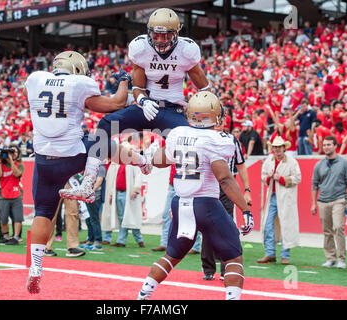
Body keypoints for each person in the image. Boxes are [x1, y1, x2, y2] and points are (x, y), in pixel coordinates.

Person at [61, 7, 211, 202]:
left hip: (171, 109)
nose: (159, 41)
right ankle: (88, 183)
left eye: (165, 36)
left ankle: (175, 177)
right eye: (156, 35)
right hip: (144, 107)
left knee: (190, 141)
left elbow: (204, 89)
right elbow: (138, 87)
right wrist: (143, 100)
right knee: (106, 124)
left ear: (176, 34)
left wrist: (202, 113)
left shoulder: (187, 50)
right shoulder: (141, 48)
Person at [24, 50, 129, 294]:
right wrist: (124, 82)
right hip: (72, 154)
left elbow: (30, 98)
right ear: (78, 69)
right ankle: (140, 161)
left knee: (42, 213)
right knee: (103, 141)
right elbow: (115, 104)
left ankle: (36, 268)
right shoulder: (79, 83)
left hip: (43, 160)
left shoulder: (36, 79)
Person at [136, 92, 253, 301]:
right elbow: (225, 179)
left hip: (180, 203)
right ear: (214, 115)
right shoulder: (217, 139)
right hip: (206, 203)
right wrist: (245, 209)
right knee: (234, 256)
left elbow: (163, 160)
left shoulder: (178, 133)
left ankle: (143, 294)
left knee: (171, 256)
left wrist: (150, 157)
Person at [201, 120, 252, 281]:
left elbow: (241, 165)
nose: (218, 123)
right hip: (208, 185)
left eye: (220, 119)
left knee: (226, 226)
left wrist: (247, 189)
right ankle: (208, 268)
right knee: (207, 227)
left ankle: (225, 268)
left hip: (225, 188)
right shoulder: (202, 137)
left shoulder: (231, 139)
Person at [257, 136, 301, 265]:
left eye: (279, 147)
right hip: (272, 196)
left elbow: (297, 178)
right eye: (275, 147)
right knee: (267, 224)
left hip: (286, 197)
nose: (277, 149)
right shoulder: (268, 161)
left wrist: (281, 179)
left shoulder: (292, 162)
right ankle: (270, 253)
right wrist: (269, 177)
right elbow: (263, 176)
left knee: (286, 225)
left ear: (284, 148)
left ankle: (284, 255)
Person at [311, 136, 347, 268]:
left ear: (335, 146)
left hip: (339, 200)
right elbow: (314, 185)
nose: (326, 147)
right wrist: (313, 203)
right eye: (324, 145)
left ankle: (342, 259)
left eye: (329, 144)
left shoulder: (345, 162)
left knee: (339, 227)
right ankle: (330, 258)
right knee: (327, 231)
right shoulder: (319, 164)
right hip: (322, 201)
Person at [101, 155, 145, 248]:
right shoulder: (118, 165)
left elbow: (138, 177)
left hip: (128, 194)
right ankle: (122, 240)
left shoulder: (133, 164)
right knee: (122, 217)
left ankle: (139, 239)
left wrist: (136, 190)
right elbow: (113, 181)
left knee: (130, 216)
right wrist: (112, 195)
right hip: (118, 193)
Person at [0, 144, 24, 245]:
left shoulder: (20, 164)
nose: (12, 154)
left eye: (14, 152)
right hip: (3, 195)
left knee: (17, 218)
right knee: (3, 218)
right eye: (11, 152)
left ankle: (15, 237)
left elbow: (16, 174)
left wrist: (11, 161)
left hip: (16, 195)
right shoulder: (0, 164)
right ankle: (6, 237)